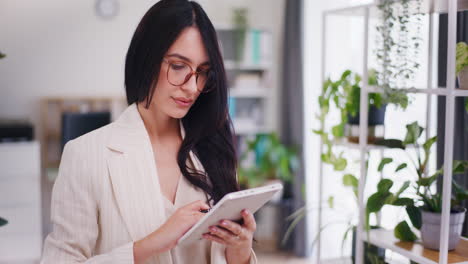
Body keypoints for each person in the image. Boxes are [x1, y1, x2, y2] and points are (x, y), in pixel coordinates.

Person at [40, 0, 258, 263]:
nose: (192, 87)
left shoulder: (214, 150)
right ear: (147, 58)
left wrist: (240, 253)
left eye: (202, 72)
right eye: (178, 66)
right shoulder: (86, 155)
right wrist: (148, 245)